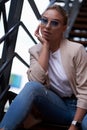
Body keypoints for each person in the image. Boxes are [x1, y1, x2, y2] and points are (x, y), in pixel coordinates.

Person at [0, 4, 87, 130]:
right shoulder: (35, 51)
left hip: (82, 109)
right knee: (31, 87)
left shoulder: (76, 50)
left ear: (64, 28)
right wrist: (45, 46)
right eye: (44, 20)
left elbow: (85, 91)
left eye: (54, 23)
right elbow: (35, 83)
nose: (47, 26)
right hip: (58, 106)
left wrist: (74, 125)